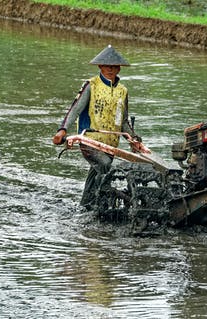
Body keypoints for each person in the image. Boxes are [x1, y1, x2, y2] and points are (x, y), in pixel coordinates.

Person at [52, 45, 143, 208]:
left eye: (114, 67)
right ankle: (102, 203)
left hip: (110, 144)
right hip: (90, 141)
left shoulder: (123, 91)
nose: (110, 69)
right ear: (100, 66)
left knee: (97, 173)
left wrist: (134, 139)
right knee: (104, 166)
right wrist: (62, 130)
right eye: (107, 66)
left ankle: (86, 204)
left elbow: (123, 121)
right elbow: (75, 109)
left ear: (119, 69)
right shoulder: (91, 86)